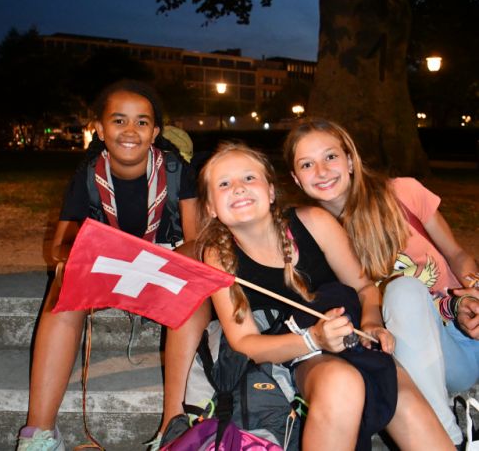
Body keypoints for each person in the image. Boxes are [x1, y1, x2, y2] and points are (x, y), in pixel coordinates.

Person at [170, 142, 452, 450]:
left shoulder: (314, 222)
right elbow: (245, 343)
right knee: (340, 382)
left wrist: (372, 322)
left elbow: (365, 288)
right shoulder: (220, 256)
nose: (238, 188)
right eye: (224, 184)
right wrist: (313, 340)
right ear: (211, 207)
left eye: (249, 178)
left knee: (399, 394)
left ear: (271, 191)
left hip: (354, 337)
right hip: (296, 353)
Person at [16, 79, 197, 451]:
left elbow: (195, 241)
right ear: (99, 129)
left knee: (196, 296)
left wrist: (162, 263)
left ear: (155, 132)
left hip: (165, 263)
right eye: (118, 120)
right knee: (63, 284)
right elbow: (60, 246)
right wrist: (83, 258)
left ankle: (173, 430)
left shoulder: (177, 170)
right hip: (109, 264)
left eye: (142, 122)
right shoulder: (87, 174)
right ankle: (39, 433)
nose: (130, 130)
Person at [283, 119, 479, 447]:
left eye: (330, 157)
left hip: (459, 341)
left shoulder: (403, 193)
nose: (321, 171)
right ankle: (447, 439)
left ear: (349, 159)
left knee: (404, 289)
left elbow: (457, 254)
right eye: (307, 164)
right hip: (400, 355)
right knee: (401, 292)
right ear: (295, 178)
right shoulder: (314, 239)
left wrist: (475, 290)